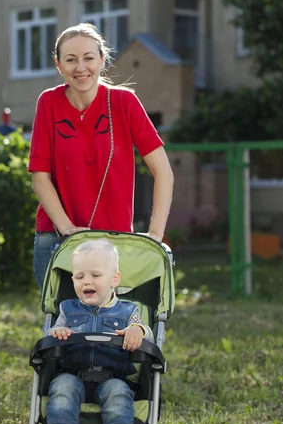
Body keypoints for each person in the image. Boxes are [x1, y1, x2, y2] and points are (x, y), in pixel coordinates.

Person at [28, 22, 174, 290]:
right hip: (56, 237)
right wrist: (68, 229)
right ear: (58, 65)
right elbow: (40, 177)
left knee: (112, 326)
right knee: (61, 326)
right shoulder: (48, 103)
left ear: (103, 60)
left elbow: (163, 171)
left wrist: (155, 235)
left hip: (113, 243)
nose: (80, 67)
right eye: (70, 60)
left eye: (89, 58)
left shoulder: (124, 103)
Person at [43, 239, 153, 424]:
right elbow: (50, 334)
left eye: (95, 275)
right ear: (72, 279)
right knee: (62, 387)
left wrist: (137, 330)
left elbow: (146, 333)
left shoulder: (128, 311)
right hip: (73, 374)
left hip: (112, 377)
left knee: (119, 394)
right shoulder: (67, 309)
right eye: (80, 276)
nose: (87, 282)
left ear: (115, 279)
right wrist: (57, 331)